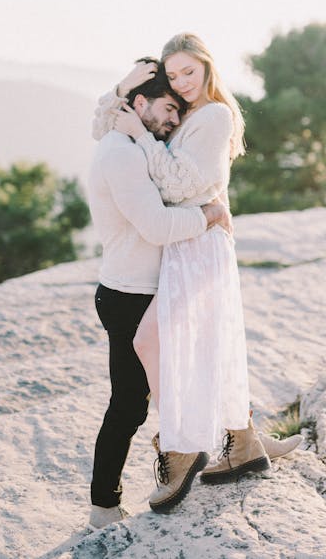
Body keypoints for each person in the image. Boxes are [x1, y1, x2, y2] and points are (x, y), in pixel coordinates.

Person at [95, 33, 302, 513]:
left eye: (190, 72)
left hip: (199, 240)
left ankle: (182, 443)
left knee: (155, 341)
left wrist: (144, 138)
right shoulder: (183, 113)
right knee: (208, 342)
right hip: (182, 244)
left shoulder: (214, 115)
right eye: (174, 76)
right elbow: (107, 128)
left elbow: (181, 183)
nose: (183, 84)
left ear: (208, 68)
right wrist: (122, 89)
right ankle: (243, 441)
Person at [87, 60, 232, 529]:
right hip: (129, 295)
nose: (174, 120)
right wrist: (210, 215)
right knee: (129, 405)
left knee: (193, 371)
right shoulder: (120, 153)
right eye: (169, 109)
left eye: (179, 113)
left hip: (150, 289)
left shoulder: (136, 143)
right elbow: (157, 226)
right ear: (141, 103)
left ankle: (232, 441)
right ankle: (103, 508)